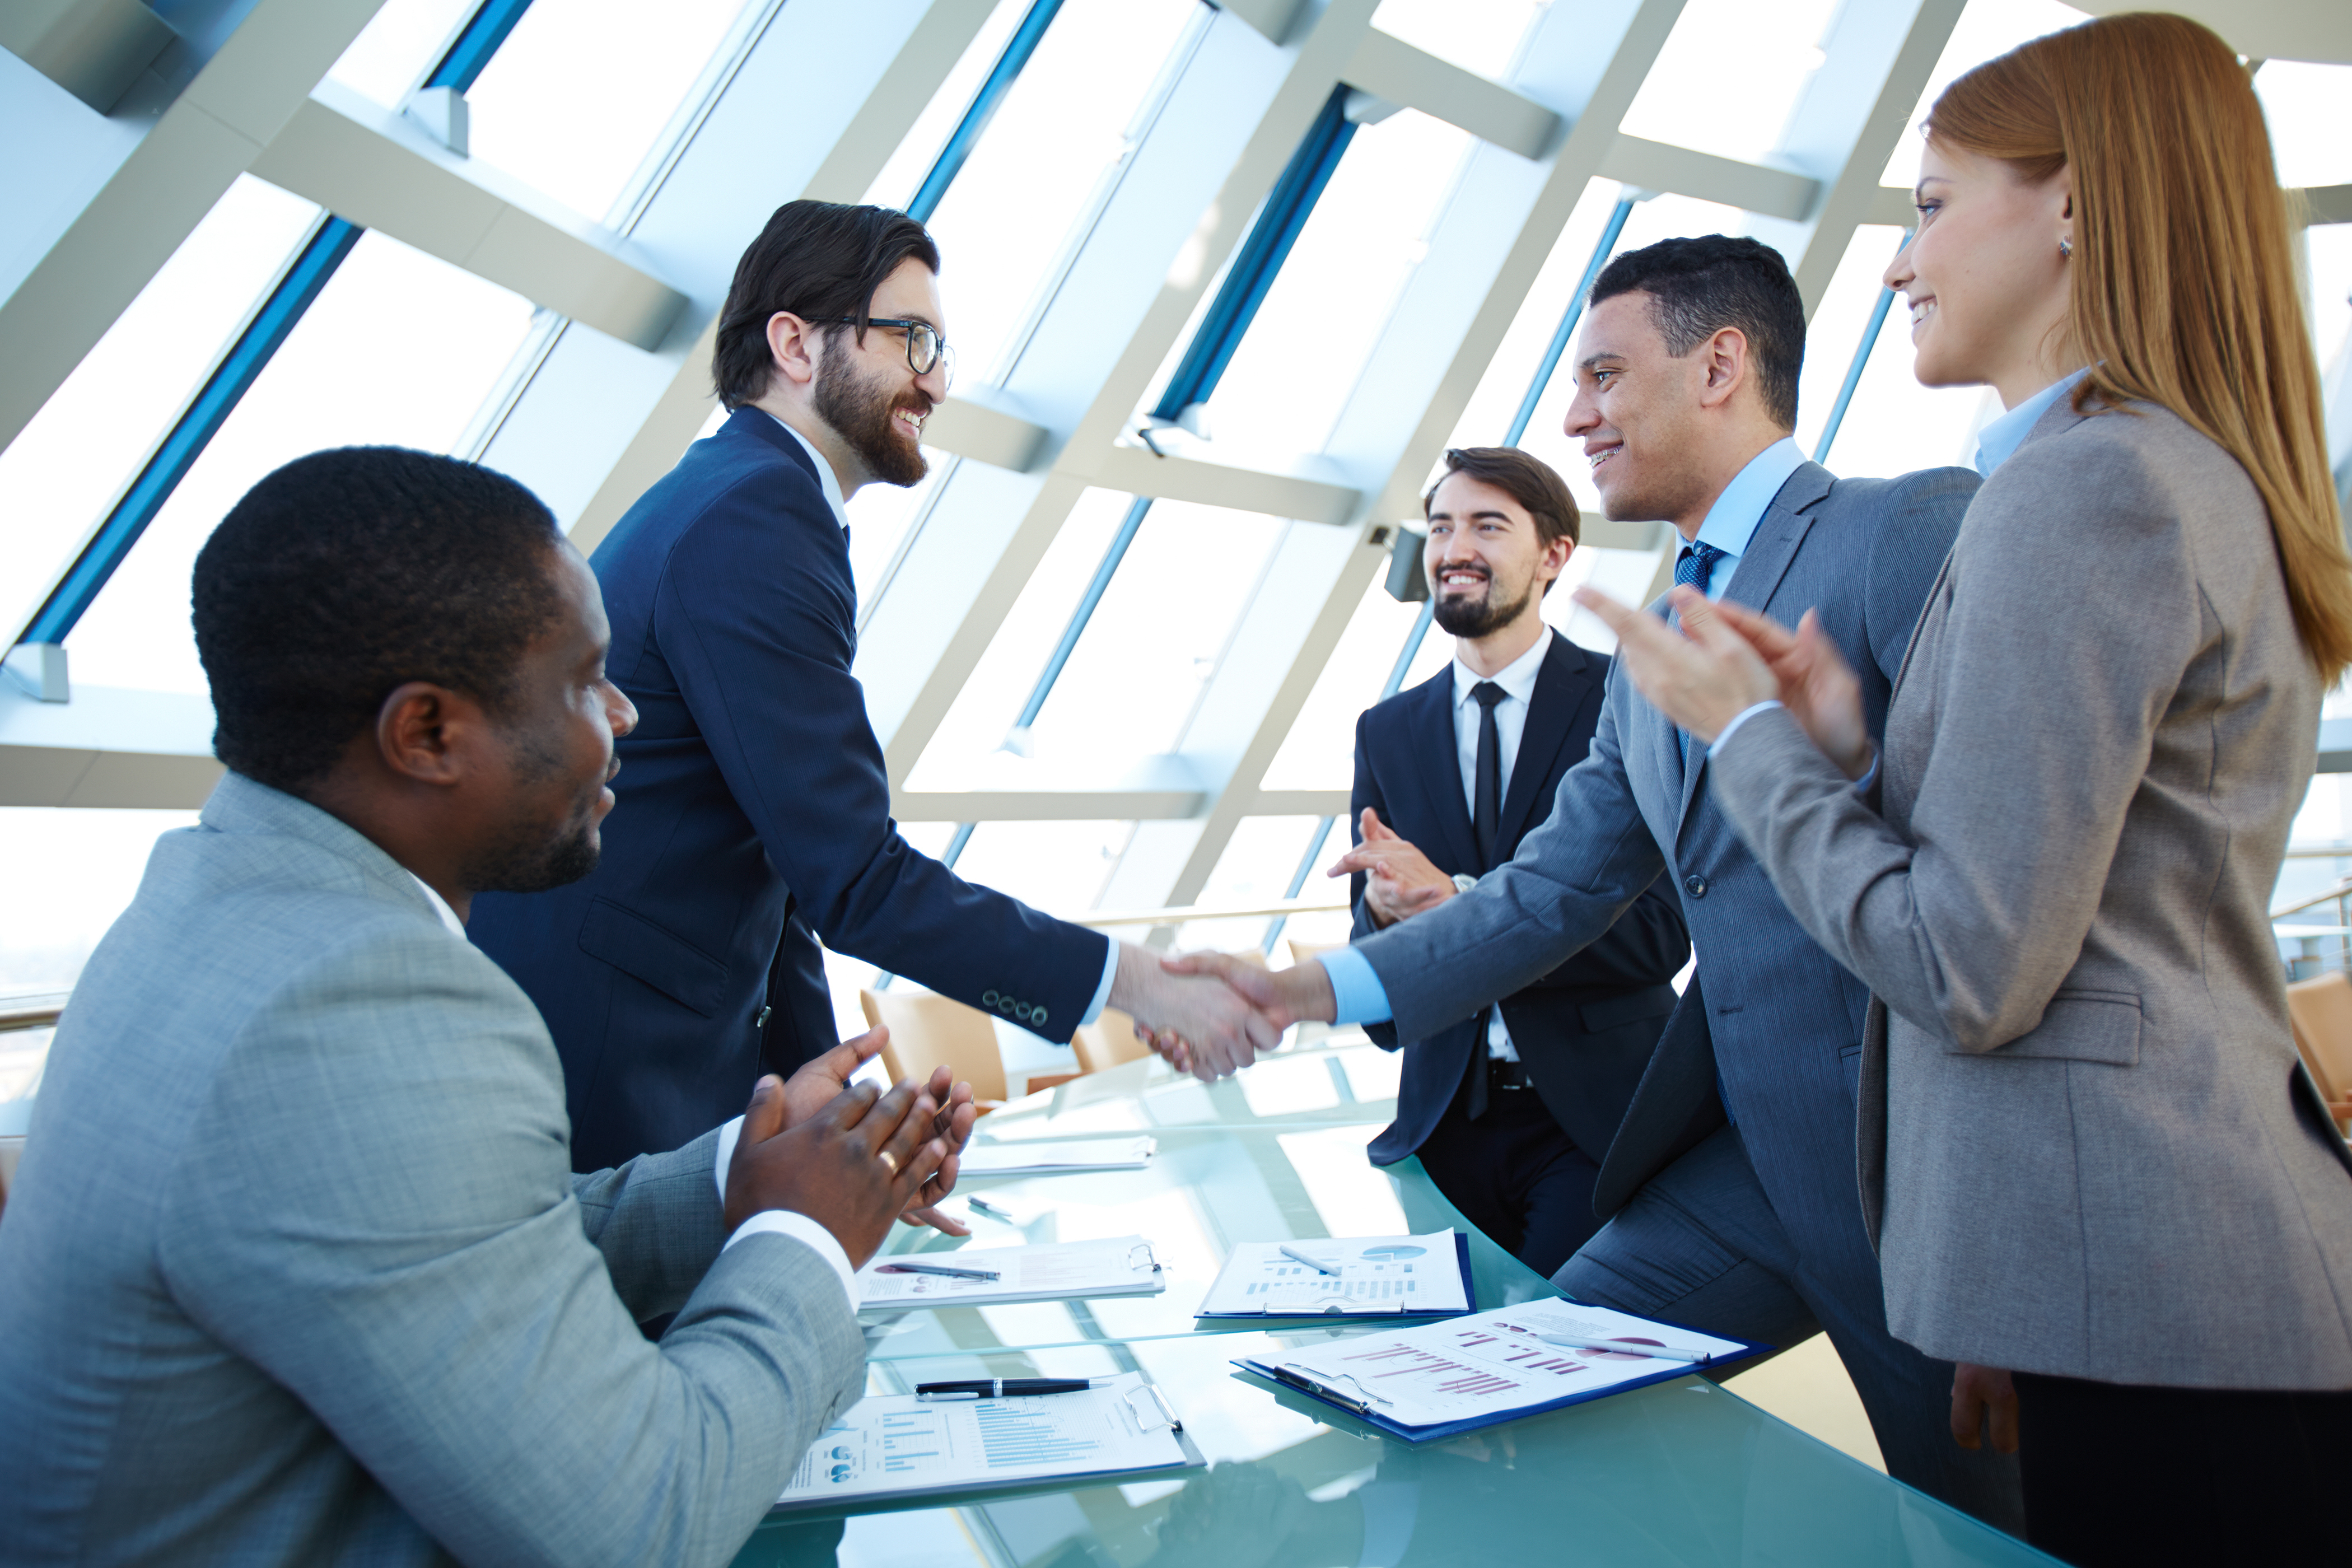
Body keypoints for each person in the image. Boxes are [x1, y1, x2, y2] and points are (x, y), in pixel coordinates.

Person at [1572, 16, 2352, 1564]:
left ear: (2074, 203)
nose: (1895, 264)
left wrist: (1753, 744)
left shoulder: (2088, 487)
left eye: (1930, 205)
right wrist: (1858, 745)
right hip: (2139, 1288)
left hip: (2171, 1319)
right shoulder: (2152, 469)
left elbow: (1970, 968)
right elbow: (2107, 897)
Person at [1161, 236, 2022, 1529]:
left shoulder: (1900, 534)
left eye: (1606, 376)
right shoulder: (1660, 633)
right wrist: (1300, 990)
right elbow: (1549, 889)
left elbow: (2020, 905)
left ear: (1721, 364)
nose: (1577, 416)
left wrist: (2003, 1261)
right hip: (1751, 1178)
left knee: (1986, 1527)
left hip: (1920, 1196)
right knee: (1508, 1381)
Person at [0, 447, 975, 1566]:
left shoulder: (218, 905)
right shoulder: (366, 1002)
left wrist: (739, 1179)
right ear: (425, 733)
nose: (626, 714)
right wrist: (806, 1233)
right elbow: (644, 1517)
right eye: (583, 680)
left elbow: (445, 1236)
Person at [469, 200, 1270, 1175]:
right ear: (796, 344)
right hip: (610, 1068)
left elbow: (783, 869)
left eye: (942, 349)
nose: (935, 380)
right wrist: (1137, 982)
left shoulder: (740, 497)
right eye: (913, 339)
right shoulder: (754, 519)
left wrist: (836, 1128)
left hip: (640, 1055)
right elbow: (854, 879)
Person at [1334, 445, 1687, 1275]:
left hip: (1597, 1125)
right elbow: (1385, 1006)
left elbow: (1663, 935)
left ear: (1555, 554)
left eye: (1488, 526)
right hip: (1441, 1128)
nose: (1455, 548)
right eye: (1442, 526)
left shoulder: (1626, 695)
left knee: (1555, 1367)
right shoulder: (1387, 732)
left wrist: (1458, 901)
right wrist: (1386, 919)